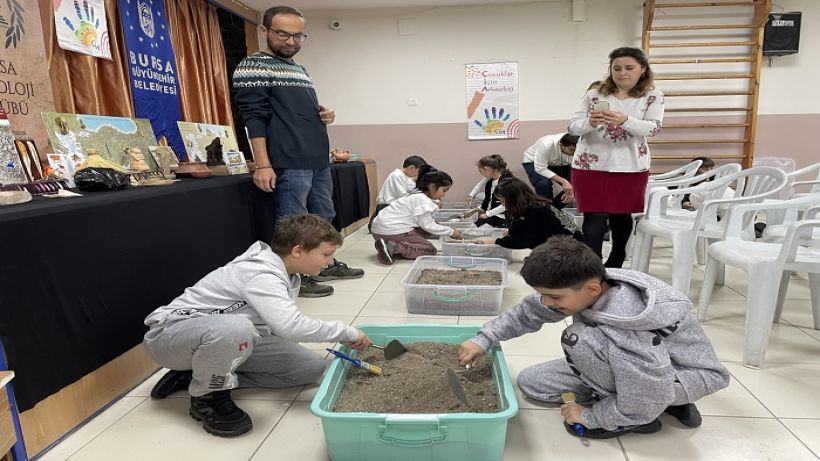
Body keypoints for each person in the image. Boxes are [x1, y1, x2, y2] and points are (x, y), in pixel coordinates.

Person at [459, 236, 729, 439]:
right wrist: (484, 338)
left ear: (591, 289)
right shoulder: (594, 285)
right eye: (544, 294)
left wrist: (591, 416)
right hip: (644, 370)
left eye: (554, 297)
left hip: (679, 376)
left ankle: (644, 414)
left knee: (580, 338)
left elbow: (646, 380)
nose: (547, 302)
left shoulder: (626, 328)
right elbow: (530, 312)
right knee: (533, 383)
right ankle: (660, 403)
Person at [144, 214, 372, 437]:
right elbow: (290, 326)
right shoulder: (261, 272)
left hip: (221, 338)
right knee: (236, 329)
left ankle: (199, 374)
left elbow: (278, 327)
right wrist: (345, 332)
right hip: (169, 337)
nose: (330, 262)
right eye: (327, 254)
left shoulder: (290, 274)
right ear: (298, 250)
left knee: (308, 368)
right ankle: (208, 396)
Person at [233, 6, 363, 298]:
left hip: (317, 157)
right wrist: (263, 164)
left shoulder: (299, 69)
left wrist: (325, 115)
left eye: (298, 35)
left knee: (324, 216)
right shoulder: (253, 65)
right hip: (289, 160)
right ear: (264, 31)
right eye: (282, 34)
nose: (291, 41)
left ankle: (323, 263)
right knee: (294, 223)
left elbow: (295, 112)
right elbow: (254, 117)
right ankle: (293, 277)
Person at [567, 46, 664, 269]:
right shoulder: (595, 94)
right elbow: (572, 127)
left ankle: (617, 261)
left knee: (622, 216)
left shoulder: (652, 97)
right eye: (617, 68)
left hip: (630, 165)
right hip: (590, 164)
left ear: (642, 69)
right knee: (594, 216)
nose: (623, 73)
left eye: (630, 68)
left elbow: (653, 128)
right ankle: (592, 266)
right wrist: (591, 122)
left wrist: (624, 120)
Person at [371, 165, 462, 265]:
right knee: (430, 249)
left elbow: (426, 224)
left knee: (429, 227)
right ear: (432, 187)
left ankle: (391, 245)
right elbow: (427, 225)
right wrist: (451, 232)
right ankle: (393, 247)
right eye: (444, 190)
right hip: (390, 231)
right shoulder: (423, 200)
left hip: (378, 230)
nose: (444, 194)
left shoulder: (416, 195)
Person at [478, 177, 582, 249]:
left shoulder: (536, 212)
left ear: (514, 199)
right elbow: (520, 227)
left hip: (571, 249)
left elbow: (523, 241)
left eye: (503, 201)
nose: (503, 205)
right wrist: (512, 232)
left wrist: (496, 242)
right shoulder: (534, 205)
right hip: (566, 243)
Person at [370, 155, 427, 231]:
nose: (419, 174)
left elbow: (414, 190)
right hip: (386, 207)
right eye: (419, 172)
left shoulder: (406, 177)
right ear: (411, 168)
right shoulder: (396, 176)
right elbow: (404, 196)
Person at [521, 133, 578, 208]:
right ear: (561, 145)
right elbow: (540, 168)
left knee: (580, 183)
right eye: (572, 150)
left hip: (558, 163)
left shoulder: (582, 143)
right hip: (534, 161)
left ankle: (554, 210)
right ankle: (546, 211)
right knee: (543, 184)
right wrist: (564, 181)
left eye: (577, 150)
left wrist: (575, 189)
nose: (575, 153)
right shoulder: (546, 144)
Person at [465, 154, 514, 227]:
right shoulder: (491, 179)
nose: (482, 174)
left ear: (486, 169)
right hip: (492, 214)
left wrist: (488, 214)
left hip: (501, 217)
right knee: (473, 227)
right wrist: (474, 210)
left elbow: (506, 205)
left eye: (480, 171)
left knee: (476, 230)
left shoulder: (506, 182)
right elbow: (489, 200)